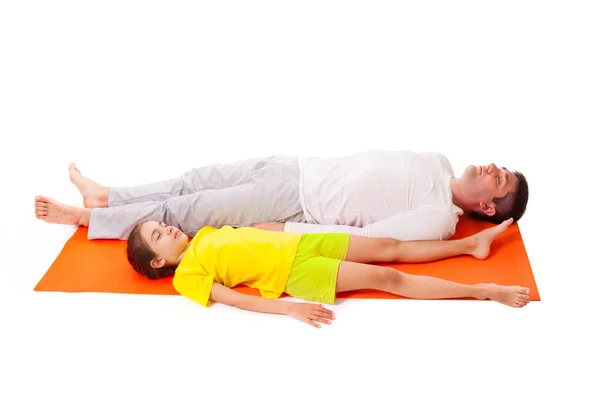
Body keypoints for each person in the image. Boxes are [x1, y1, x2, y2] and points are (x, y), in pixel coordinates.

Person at [34, 149, 529, 241]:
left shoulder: (437, 219)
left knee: (185, 211)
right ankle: (107, 196)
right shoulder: (439, 161)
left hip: (295, 205)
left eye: (499, 178)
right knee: (193, 179)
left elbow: (373, 239)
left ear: (487, 207)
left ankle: (85, 220)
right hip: (295, 166)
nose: (491, 167)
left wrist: (288, 230)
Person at [126, 216, 530, 328]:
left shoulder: (204, 234)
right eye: (159, 236)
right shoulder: (186, 275)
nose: (169, 230)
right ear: (158, 260)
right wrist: (291, 310)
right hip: (296, 272)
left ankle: (469, 245)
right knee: (389, 278)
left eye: (161, 225)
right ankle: (483, 290)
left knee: (390, 246)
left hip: (303, 242)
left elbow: (253, 234)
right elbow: (232, 298)